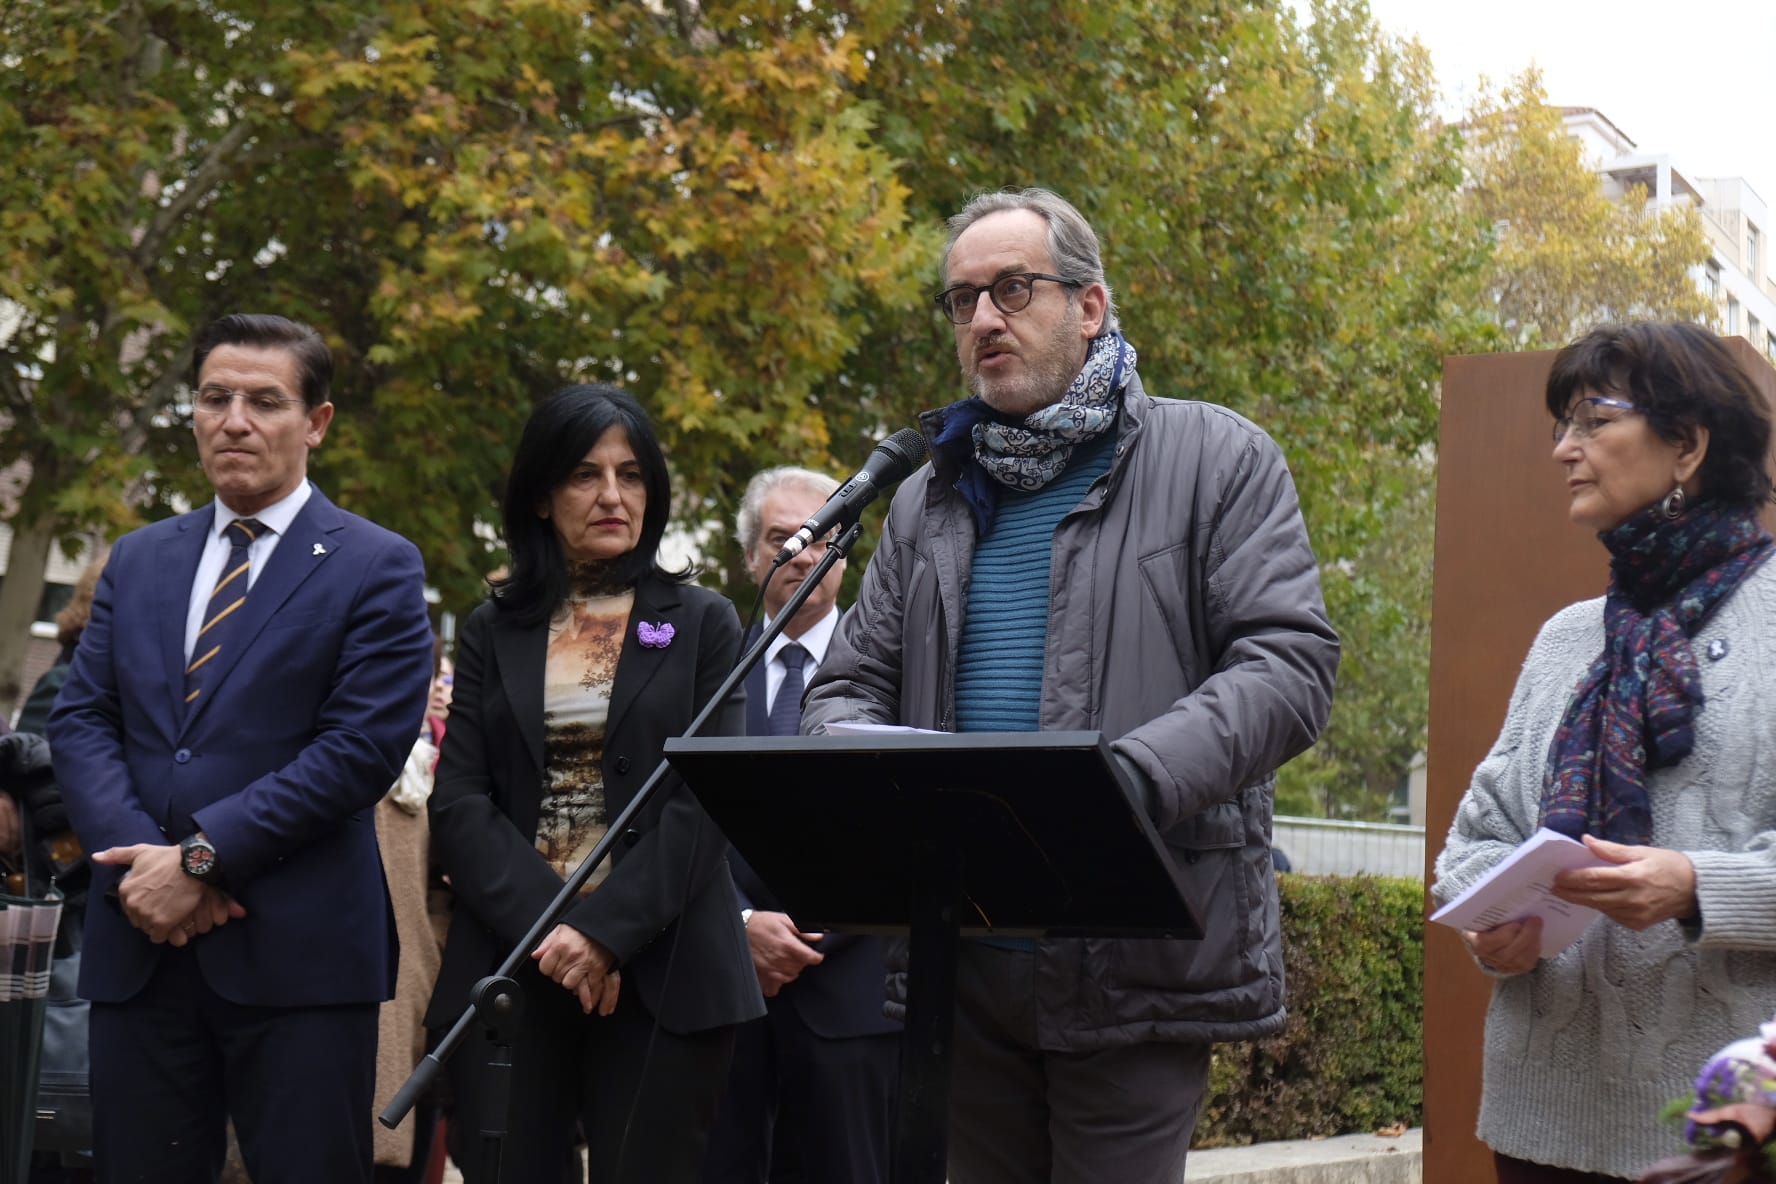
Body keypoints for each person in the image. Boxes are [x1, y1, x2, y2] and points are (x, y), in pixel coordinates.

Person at [801, 187, 1340, 1184]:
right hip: (957, 965)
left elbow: (1289, 662)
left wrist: (1123, 779)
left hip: (1132, 954)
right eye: (963, 301)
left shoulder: (1215, 457)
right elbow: (845, 686)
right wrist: (859, 765)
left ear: (1089, 306)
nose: (984, 321)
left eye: (1012, 289)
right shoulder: (925, 499)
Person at [47, 313, 436, 1184]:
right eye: (215, 398)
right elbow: (80, 722)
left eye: (265, 401)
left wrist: (201, 860)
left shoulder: (377, 566)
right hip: (141, 948)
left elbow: (358, 750)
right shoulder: (139, 559)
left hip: (298, 959)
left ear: (318, 423)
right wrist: (146, 869)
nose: (234, 420)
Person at [1432, 322, 1776, 1183]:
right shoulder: (1566, 641)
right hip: (1543, 1119)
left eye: (1591, 420)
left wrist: (1697, 885)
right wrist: (1493, 925)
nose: (1563, 451)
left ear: (1688, 443)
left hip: (1723, 1126)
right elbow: (1472, 846)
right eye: (1562, 426)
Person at [425, 384, 763, 1184]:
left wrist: (606, 933)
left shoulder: (704, 621)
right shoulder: (491, 626)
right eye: (585, 474)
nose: (613, 495)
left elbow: (710, 801)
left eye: (632, 474)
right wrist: (560, 937)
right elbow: (461, 801)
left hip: (668, 977)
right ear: (542, 496)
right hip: (515, 969)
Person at [701, 467, 900, 1184]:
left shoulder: (891, 668)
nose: (803, 554)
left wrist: (804, 932)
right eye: (783, 538)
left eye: (822, 539)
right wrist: (739, 924)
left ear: (845, 556)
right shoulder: (707, 664)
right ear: (753, 558)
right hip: (718, 998)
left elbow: (901, 825)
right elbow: (676, 818)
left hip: (848, 1003)